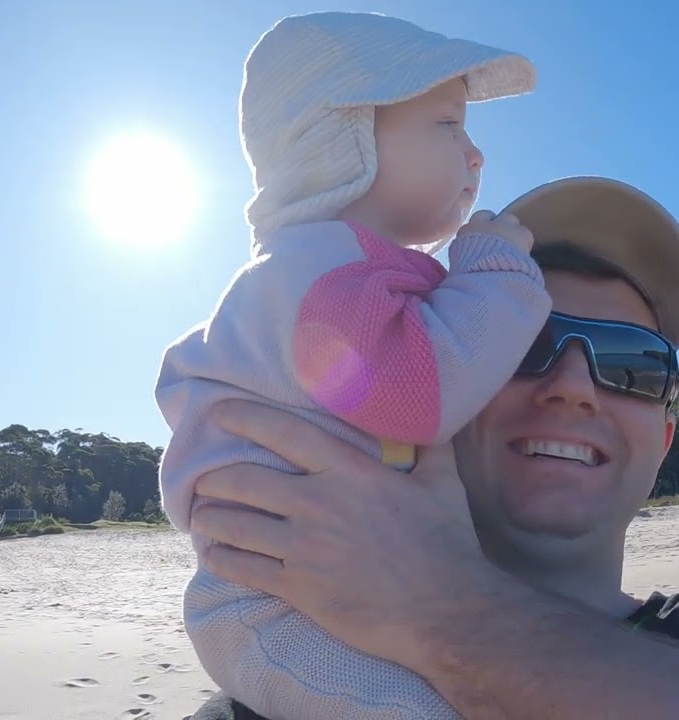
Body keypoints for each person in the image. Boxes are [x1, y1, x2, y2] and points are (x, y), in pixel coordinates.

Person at [181, 175, 679, 719]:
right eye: (523, 340)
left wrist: (448, 616)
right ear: (426, 387)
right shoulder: (289, 684)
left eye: (632, 363)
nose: (574, 386)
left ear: (663, 439)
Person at [154, 11, 552, 720]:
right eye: (448, 125)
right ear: (348, 143)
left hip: (311, 590)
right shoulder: (319, 262)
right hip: (272, 608)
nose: (476, 154)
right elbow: (418, 398)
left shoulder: (327, 267)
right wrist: (500, 271)